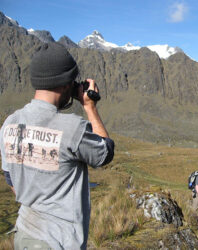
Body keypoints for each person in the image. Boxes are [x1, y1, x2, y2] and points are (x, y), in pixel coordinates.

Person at [0, 42, 115, 250]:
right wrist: (90, 107)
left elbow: (11, 180)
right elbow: (105, 153)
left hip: (23, 235)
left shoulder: (9, 124)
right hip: (57, 241)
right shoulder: (71, 128)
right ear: (65, 83)